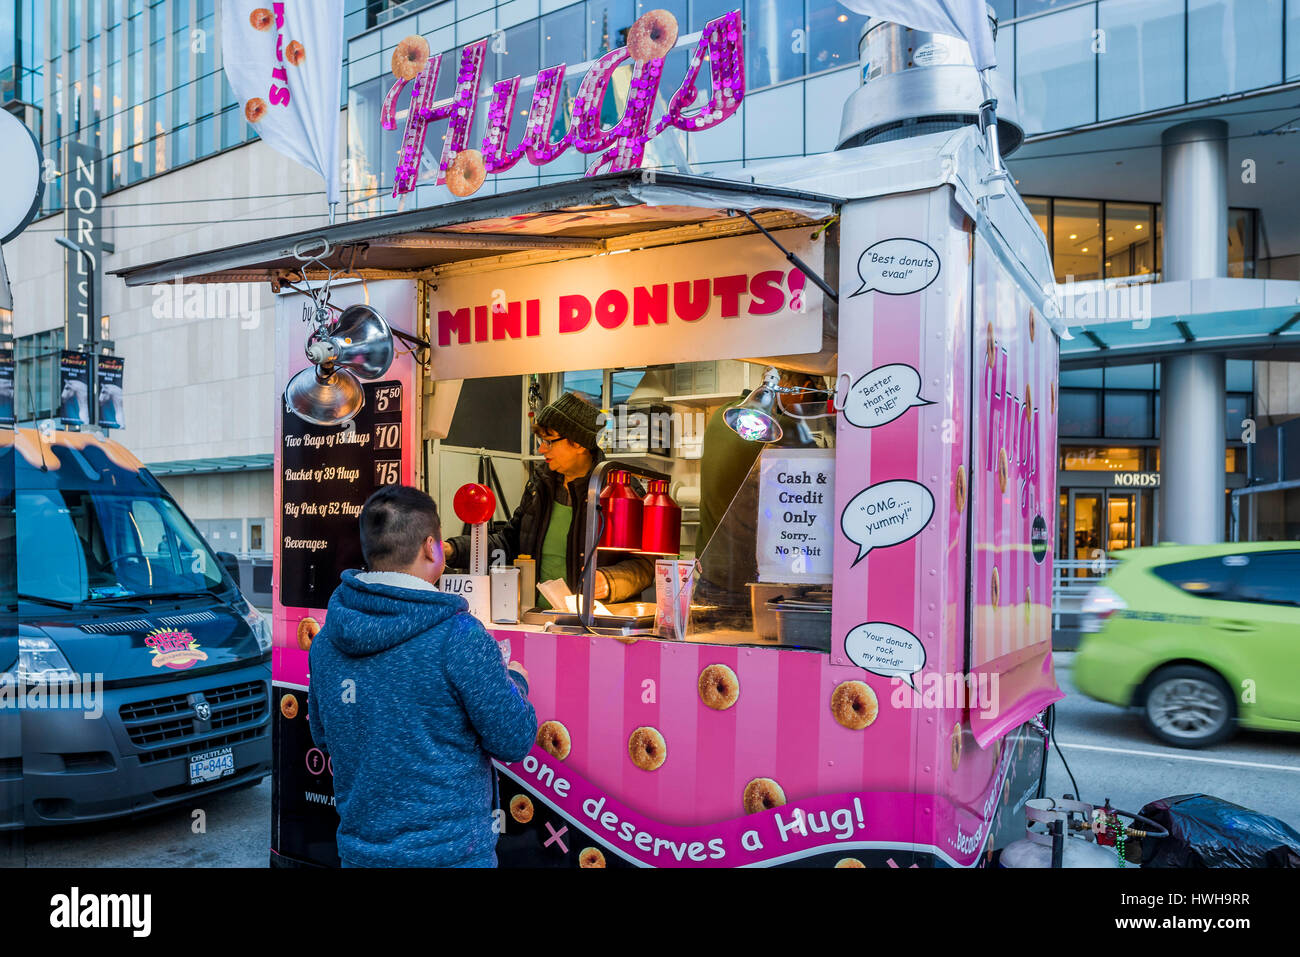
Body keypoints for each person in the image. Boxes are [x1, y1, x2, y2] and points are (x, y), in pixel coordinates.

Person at [308, 485, 537, 867]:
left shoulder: (327, 640)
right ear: (432, 548)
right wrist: (516, 682)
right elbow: (514, 740)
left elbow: (324, 736)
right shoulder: (459, 636)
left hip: (361, 855)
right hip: (450, 857)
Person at [443, 392, 653, 607]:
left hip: (594, 623)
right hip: (537, 619)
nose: (541, 449)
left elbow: (647, 564)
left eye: (549, 442)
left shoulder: (621, 490)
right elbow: (507, 544)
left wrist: (610, 581)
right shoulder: (539, 485)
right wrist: (452, 550)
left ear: (578, 443)